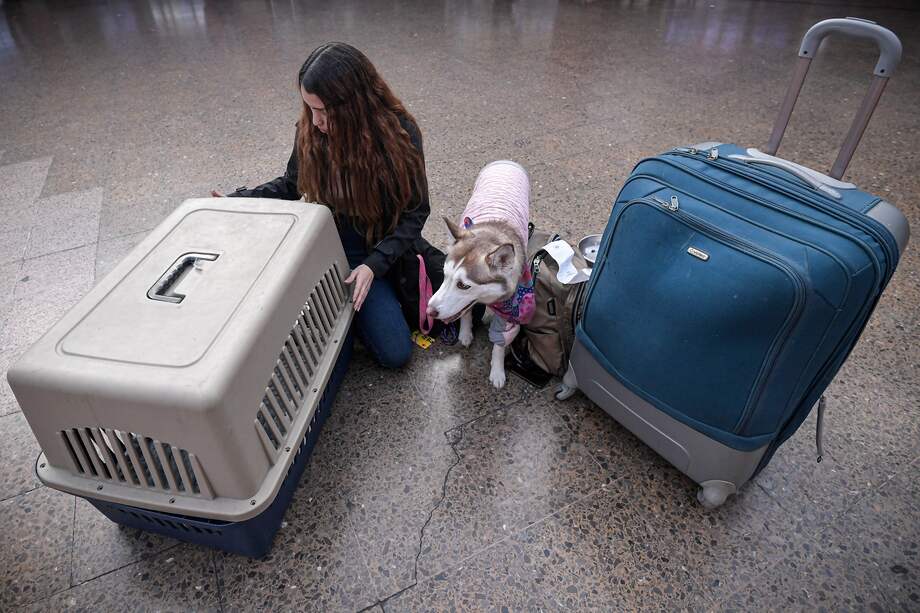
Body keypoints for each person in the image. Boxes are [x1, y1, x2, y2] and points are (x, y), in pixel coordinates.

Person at [213, 42, 428, 369]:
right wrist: (236, 201)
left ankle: (347, 313)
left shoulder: (399, 134)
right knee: (317, 353)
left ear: (354, 105)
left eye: (323, 111)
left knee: (396, 353)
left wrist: (373, 266)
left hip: (375, 251)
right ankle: (340, 316)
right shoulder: (311, 131)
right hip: (321, 244)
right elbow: (290, 185)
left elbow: (416, 212)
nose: (314, 121)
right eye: (309, 107)